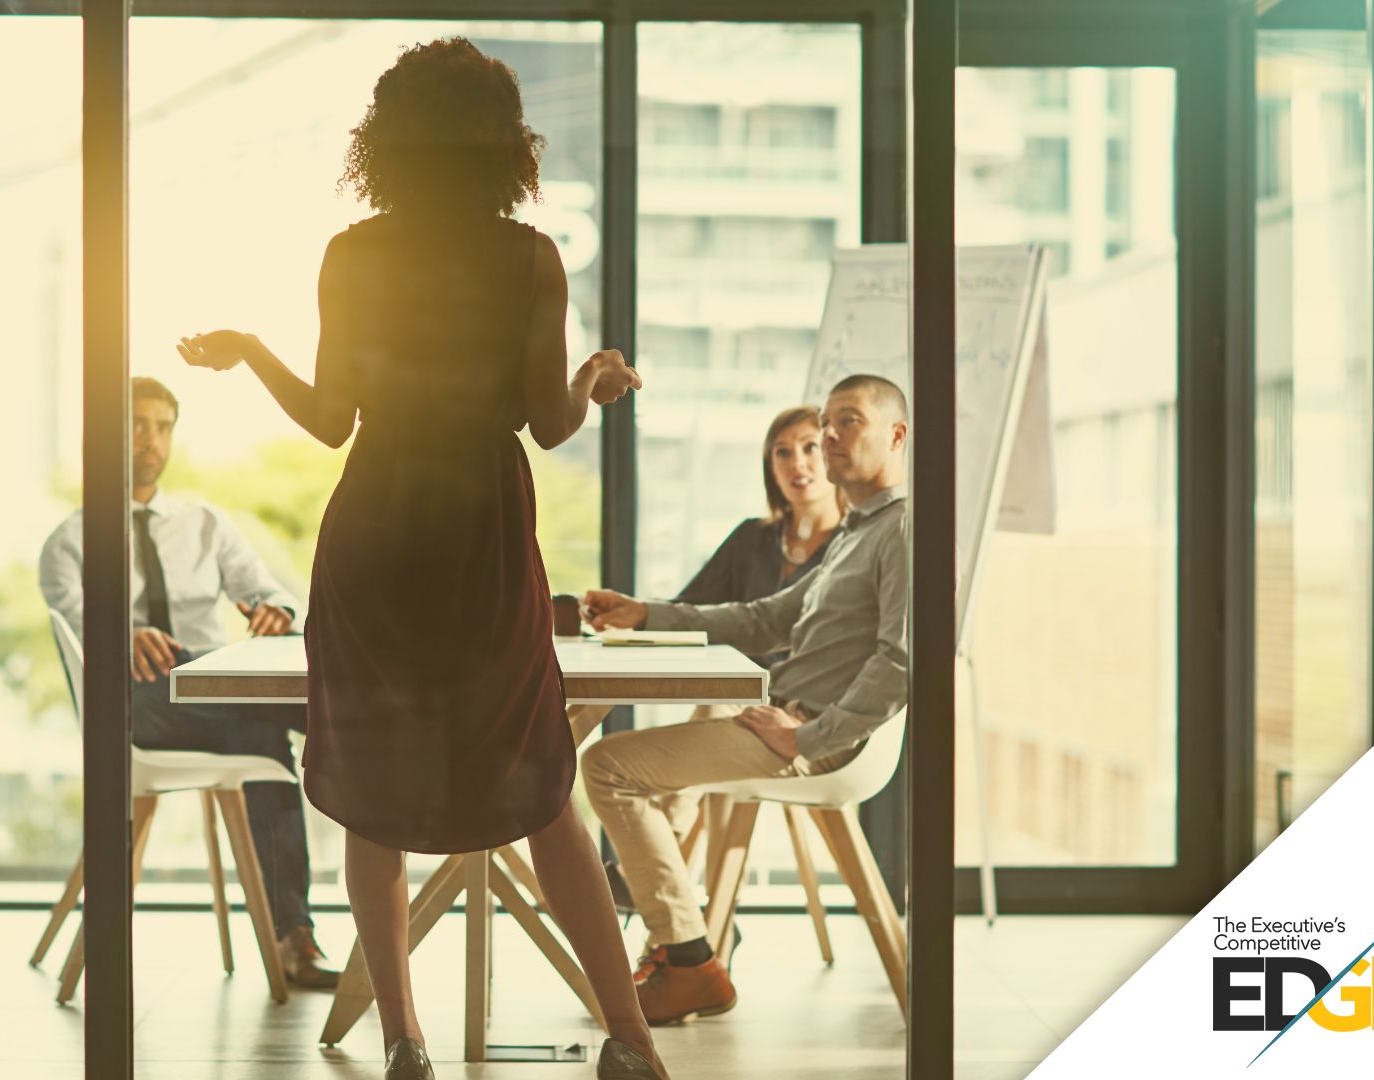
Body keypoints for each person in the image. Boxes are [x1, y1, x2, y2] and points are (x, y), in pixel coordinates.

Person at [174, 38, 669, 1080]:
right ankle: (628, 1040)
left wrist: (251, 349)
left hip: (376, 535)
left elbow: (324, 423)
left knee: (371, 789)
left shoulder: (353, 255)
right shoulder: (530, 258)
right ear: (502, 138)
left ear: (386, 138)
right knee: (544, 785)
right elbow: (547, 425)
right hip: (483, 538)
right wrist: (593, 380)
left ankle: (402, 1040)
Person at [579, 374, 911, 1027]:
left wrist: (806, 739)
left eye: (848, 422)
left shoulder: (901, 531)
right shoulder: (857, 532)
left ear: (896, 436)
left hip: (814, 738)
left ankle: (688, 961)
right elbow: (763, 620)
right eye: (827, 422)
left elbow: (902, 661)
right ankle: (686, 953)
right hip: (785, 719)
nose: (828, 437)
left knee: (607, 769)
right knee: (616, 766)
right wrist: (646, 614)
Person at [37, 376, 341, 991]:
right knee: (304, 720)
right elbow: (77, 626)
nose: (151, 440)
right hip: (136, 707)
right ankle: (297, 934)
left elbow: (268, 590)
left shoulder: (204, 522)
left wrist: (274, 610)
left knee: (266, 735)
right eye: (136, 425)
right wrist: (120, 632)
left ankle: (296, 936)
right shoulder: (69, 541)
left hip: (220, 699)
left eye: (162, 426)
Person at [604, 406, 846, 919]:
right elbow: (696, 607)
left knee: (719, 707)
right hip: (736, 705)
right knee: (725, 699)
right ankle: (698, 923)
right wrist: (637, 614)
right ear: (769, 466)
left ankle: (653, 872)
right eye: (782, 452)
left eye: (808, 448)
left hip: (798, 718)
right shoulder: (752, 538)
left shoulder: (853, 547)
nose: (797, 463)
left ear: (832, 455)